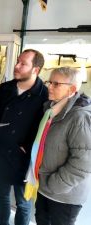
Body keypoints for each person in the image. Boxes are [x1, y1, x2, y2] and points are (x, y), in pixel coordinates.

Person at [0, 49, 48, 225]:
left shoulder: (43, 94)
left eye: (23, 64)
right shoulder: (6, 88)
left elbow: (43, 128)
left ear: (35, 69)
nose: (17, 66)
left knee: (23, 203)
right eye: (18, 61)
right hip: (0, 152)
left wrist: (27, 147)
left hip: (24, 156)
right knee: (1, 197)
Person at [35, 67, 91, 225]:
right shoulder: (52, 110)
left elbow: (84, 162)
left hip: (63, 196)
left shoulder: (80, 117)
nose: (49, 87)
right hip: (45, 188)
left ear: (72, 89)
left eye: (56, 84)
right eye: (49, 82)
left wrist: (55, 185)